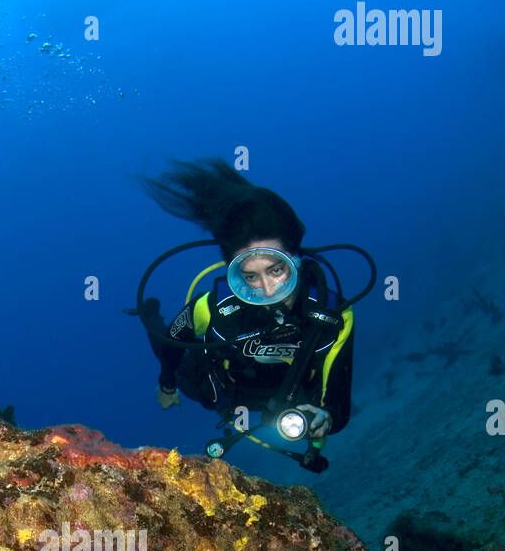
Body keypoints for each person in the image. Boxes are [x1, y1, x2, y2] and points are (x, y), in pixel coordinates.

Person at [137, 158, 360, 472]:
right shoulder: (211, 307)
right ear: (234, 272)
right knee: (166, 345)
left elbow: (337, 395)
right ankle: (148, 313)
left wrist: (326, 419)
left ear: (296, 258)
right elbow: (172, 340)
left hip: (291, 398)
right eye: (251, 277)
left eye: (276, 269)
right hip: (225, 392)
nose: (268, 290)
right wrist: (167, 386)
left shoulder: (334, 314)